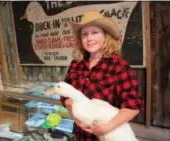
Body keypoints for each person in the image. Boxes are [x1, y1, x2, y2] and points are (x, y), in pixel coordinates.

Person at [61, 11, 143, 141]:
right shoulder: (76, 64)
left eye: (95, 32)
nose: (89, 38)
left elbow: (133, 105)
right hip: (80, 135)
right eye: (84, 34)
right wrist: (73, 113)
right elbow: (65, 94)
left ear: (105, 35)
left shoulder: (118, 66)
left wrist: (107, 127)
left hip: (106, 136)